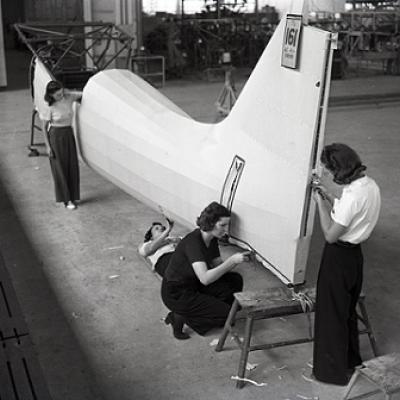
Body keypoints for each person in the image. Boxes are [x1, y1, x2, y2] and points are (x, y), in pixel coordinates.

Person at [311, 143, 381, 385]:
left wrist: (320, 205)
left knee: (331, 314)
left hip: (338, 256)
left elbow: (330, 234)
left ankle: (331, 372)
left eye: (330, 170)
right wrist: (330, 198)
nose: (329, 175)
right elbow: (351, 215)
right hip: (354, 257)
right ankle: (351, 361)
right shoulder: (369, 185)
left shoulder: (352, 196)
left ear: (339, 169)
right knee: (346, 311)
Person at [161, 201, 250, 340]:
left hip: (194, 284)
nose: (226, 230)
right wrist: (232, 261)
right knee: (228, 314)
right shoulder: (193, 242)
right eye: (222, 225)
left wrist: (240, 260)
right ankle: (180, 316)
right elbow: (206, 278)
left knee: (234, 279)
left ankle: (214, 311)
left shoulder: (212, 238)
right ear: (210, 222)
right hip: (177, 293)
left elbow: (217, 265)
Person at [41, 80, 81, 210]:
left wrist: (68, 92)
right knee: (60, 168)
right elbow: (44, 127)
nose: (60, 96)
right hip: (55, 136)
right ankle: (67, 200)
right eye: (57, 95)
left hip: (68, 134)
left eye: (61, 93)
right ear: (51, 95)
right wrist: (48, 146)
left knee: (72, 165)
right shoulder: (49, 106)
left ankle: (74, 196)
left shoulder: (68, 98)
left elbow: (83, 94)